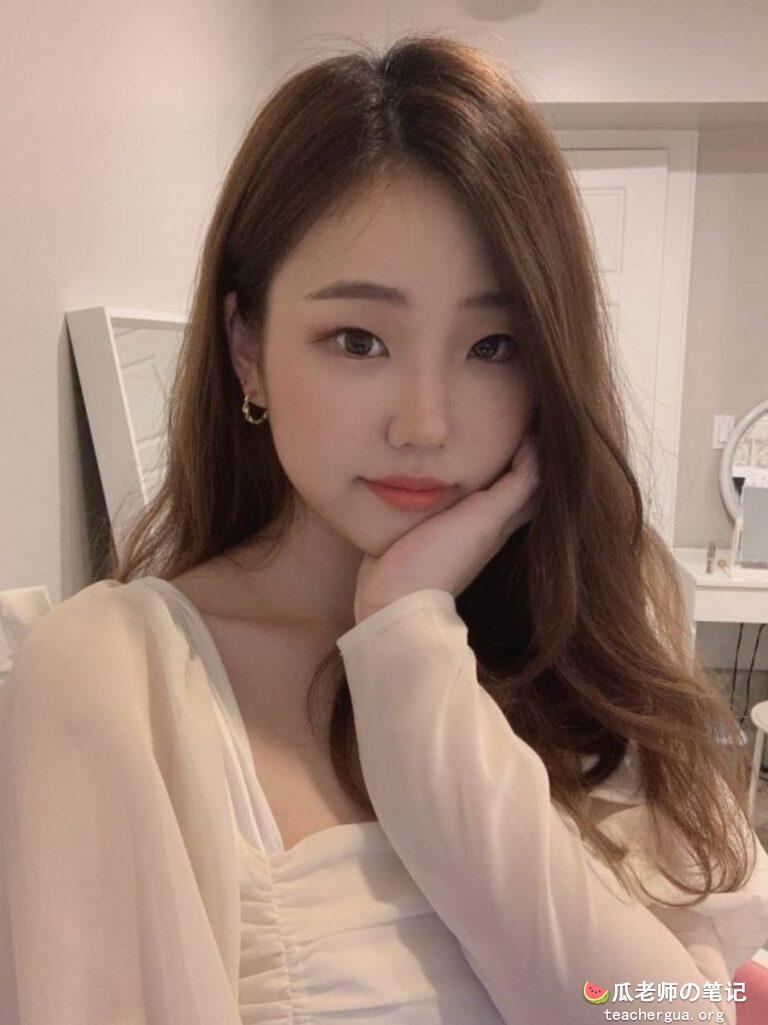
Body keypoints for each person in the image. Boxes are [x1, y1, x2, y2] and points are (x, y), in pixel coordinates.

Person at [1, 32, 767, 1025]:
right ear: (246, 346)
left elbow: (657, 1010)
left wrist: (408, 637)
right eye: (358, 339)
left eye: (494, 345)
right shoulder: (114, 680)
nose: (426, 422)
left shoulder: (590, 634)